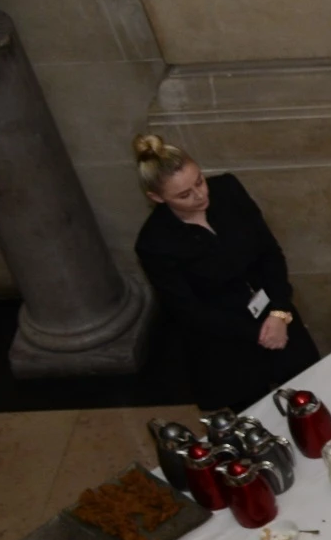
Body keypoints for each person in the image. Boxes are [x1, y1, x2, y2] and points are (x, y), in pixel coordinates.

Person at [129, 135, 320, 412]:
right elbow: (188, 310)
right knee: (257, 416)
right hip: (225, 344)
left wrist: (279, 314)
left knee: (312, 393)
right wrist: (258, 334)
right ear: (156, 198)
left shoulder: (228, 190)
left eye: (199, 181)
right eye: (184, 195)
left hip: (276, 316)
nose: (200, 195)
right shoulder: (154, 244)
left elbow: (270, 253)